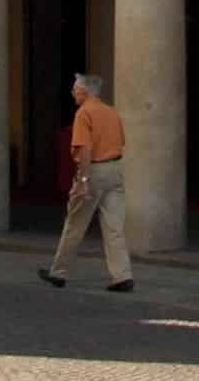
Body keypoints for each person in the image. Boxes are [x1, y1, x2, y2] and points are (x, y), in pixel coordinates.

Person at [40, 73, 132, 292]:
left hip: (94, 171)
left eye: (75, 89)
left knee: (75, 224)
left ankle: (58, 272)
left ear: (84, 91)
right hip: (115, 170)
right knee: (114, 228)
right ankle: (122, 276)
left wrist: (83, 179)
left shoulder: (84, 113)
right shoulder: (112, 112)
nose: (72, 92)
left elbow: (85, 149)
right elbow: (121, 142)